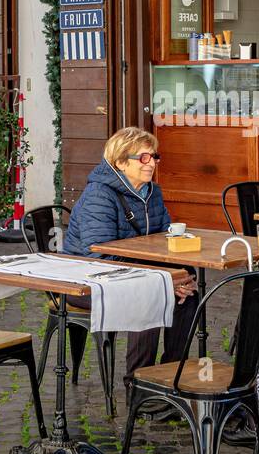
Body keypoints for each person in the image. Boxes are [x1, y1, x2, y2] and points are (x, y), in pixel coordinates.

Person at [62, 127, 197, 405]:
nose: (152, 163)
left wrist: (178, 275)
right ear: (121, 162)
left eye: (154, 157)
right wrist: (159, 279)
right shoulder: (100, 196)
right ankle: (140, 386)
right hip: (86, 279)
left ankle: (168, 375)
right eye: (144, 158)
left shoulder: (152, 193)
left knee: (187, 291)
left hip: (133, 273)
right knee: (149, 295)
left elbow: (164, 241)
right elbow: (98, 257)